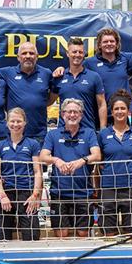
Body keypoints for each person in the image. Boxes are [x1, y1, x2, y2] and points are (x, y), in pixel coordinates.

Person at [40, 98, 101, 238]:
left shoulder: (89, 133)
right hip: (59, 194)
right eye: (69, 112)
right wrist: (56, 160)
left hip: (83, 194)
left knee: (83, 233)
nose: (72, 115)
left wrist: (82, 161)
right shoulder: (53, 134)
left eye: (76, 112)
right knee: (62, 234)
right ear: (62, 114)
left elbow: (97, 155)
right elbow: (43, 156)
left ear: (81, 115)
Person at [98, 90, 132, 235]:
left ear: (128, 111)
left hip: (131, 187)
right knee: (109, 232)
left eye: (123, 108)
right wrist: (97, 188)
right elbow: (98, 164)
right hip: (108, 187)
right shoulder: (103, 134)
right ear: (111, 112)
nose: (120, 111)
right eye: (116, 109)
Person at [0, 108, 43, 240]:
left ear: (25, 123)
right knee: (1, 235)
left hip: (26, 193)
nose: (15, 124)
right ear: (7, 123)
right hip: (6, 192)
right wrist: (2, 196)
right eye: (12, 121)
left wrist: (35, 195)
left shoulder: (33, 144)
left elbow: (37, 172)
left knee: (32, 235)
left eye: (19, 121)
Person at [0, 41, 57, 145]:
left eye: (31, 53)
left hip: (39, 134)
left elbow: (51, 99)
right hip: (14, 133)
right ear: (18, 57)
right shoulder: (8, 73)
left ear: (37, 56)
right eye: (24, 53)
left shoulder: (46, 73)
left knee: (38, 162)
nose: (28, 56)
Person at [54, 38, 107, 131]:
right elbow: (49, 101)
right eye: (74, 52)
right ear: (67, 53)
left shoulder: (94, 77)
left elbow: (101, 104)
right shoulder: (59, 77)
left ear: (84, 54)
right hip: (63, 131)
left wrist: (103, 129)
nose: (77, 55)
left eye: (80, 52)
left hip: (87, 131)